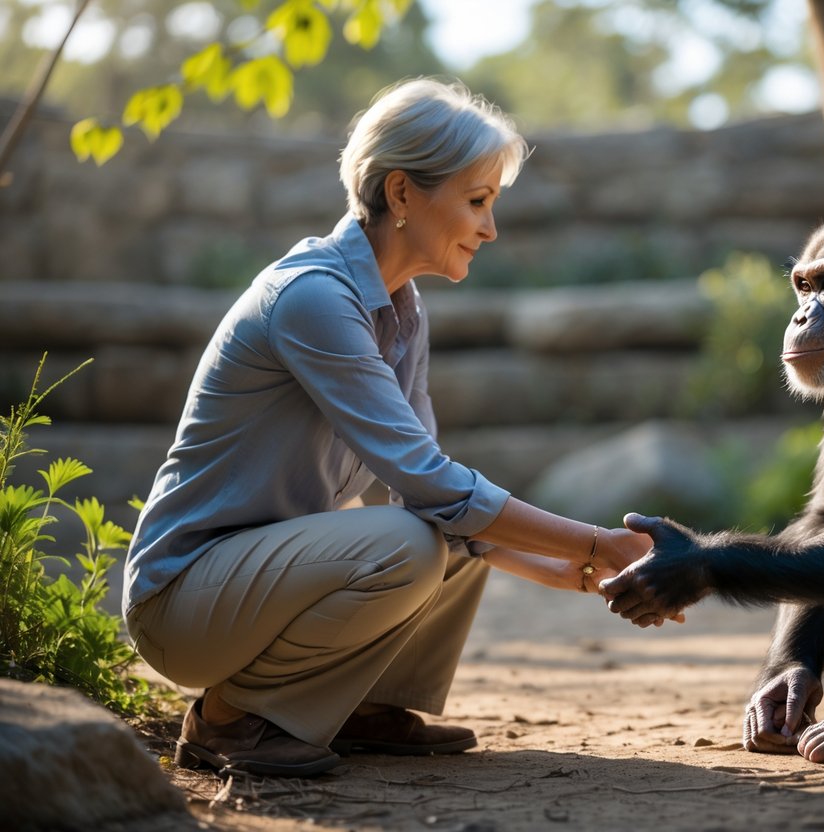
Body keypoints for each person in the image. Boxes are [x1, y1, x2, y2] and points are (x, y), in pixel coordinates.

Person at [122, 78, 656, 779]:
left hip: (244, 587)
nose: (489, 229)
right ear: (401, 193)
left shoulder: (399, 310)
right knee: (411, 541)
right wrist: (596, 544)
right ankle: (227, 721)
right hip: (183, 603)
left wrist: (566, 570)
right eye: (477, 201)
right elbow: (432, 486)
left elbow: (433, 492)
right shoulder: (312, 296)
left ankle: (356, 708)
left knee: (444, 530)